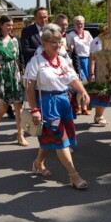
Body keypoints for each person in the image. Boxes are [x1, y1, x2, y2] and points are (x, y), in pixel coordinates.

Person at [24, 24, 89, 189]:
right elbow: (29, 88)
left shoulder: (63, 60)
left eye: (59, 42)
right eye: (54, 42)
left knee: (50, 138)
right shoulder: (36, 61)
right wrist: (34, 109)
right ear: (44, 43)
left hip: (63, 102)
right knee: (60, 140)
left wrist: (82, 91)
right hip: (46, 103)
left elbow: (73, 79)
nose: (58, 45)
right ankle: (74, 175)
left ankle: (38, 163)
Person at [0, 15, 27, 146]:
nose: (11, 27)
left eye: (11, 25)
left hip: (14, 74)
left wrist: (23, 72)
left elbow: (18, 58)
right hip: (0, 75)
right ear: (0, 25)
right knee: (3, 107)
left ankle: (20, 135)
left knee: (18, 107)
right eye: (8, 25)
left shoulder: (15, 39)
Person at [66, 15, 93, 115]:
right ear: (74, 24)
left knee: (87, 84)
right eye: (77, 23)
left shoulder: (87, 33)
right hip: (78, 61)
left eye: (81, 23)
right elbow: (71, 50)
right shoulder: (71, 35)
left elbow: (92, 46)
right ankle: (78, 105)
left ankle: (84, 107)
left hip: (88, 60)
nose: (80, 25)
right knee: (80, 84)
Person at [89, 22, 110, 127]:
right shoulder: (97, 41)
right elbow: (92, 58)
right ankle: (98, 116)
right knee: (103, 93)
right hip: (102, 71)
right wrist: (92, 72)